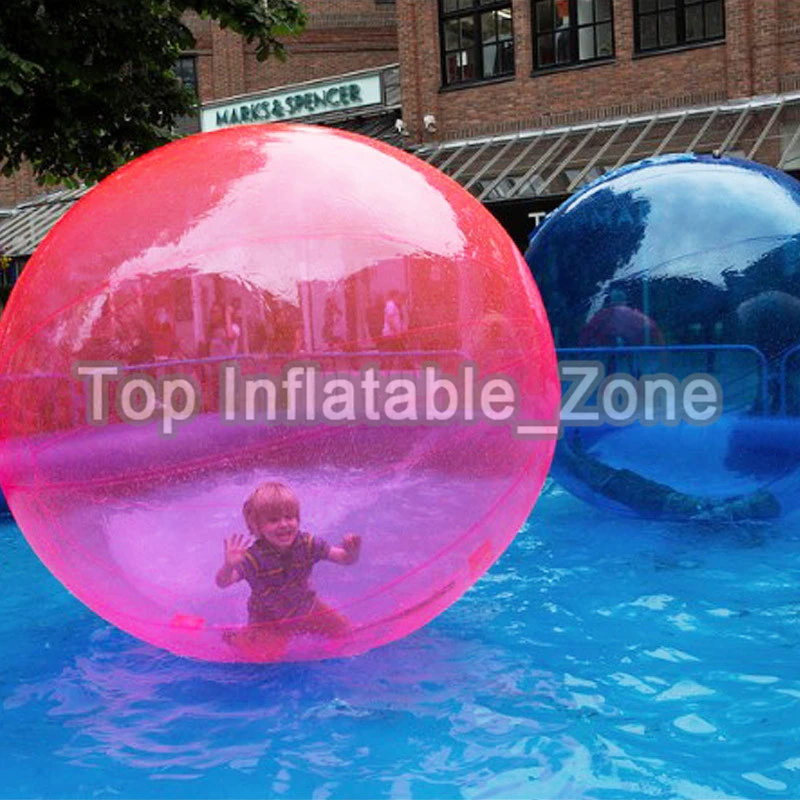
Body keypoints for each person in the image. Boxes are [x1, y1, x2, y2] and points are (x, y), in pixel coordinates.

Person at [216, 481, 361, 658]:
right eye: (273, 520)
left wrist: (352, 551)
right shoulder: (254, 557)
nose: (284, 524)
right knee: (265, 659)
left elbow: (345, 559)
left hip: (306, 607)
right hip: (269, 620)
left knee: (346, 631)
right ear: (258, 527)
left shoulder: (307, 544)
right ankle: (238, 638)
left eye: (289, 517)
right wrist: (229, 566)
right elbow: (223, 582)